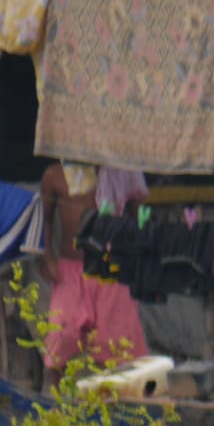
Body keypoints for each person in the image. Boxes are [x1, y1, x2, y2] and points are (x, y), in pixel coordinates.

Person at [37, 162, 147, 388]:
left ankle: (115, 404)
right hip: (71, 271)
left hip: (111, 270)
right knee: (60, 336)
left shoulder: (123, 172)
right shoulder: (54, 175)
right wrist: (47, 257)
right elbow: (45, 219)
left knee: (115, 343)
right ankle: (58, 404)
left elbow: (138, 215)